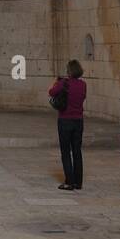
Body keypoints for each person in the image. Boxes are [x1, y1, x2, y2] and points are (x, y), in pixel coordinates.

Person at [48, 59, 87, 190]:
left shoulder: (64, 83)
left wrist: (57, 82)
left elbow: (51, 92)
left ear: (69, 70)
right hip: (79, 121)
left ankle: (69, 182)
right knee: (77, 151)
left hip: (65, 120)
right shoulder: (83, 84)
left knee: (66, 151)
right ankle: (78, 182)